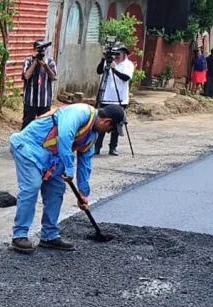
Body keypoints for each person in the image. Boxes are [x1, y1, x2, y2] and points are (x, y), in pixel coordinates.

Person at [10, 103, 126, 254]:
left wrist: (83, 194)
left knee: (56, 190)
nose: (109, 133)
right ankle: (20, 235)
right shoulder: (81, 112)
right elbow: (65, 135)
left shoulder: (91, 137)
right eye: (111, 130)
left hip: (52, 159)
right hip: (29, 147)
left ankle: (49, 236)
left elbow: (85, 165)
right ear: (107, 122)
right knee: (32, 187)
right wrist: (69, 168)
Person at [94, 44, 133, 156]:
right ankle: (97, 147)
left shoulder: (128, 65)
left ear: (124, 53)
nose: (117, 56)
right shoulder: (109, 62)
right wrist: (103, 59)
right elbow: (99, 71)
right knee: (101, 123)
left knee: (117, 125)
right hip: (105, 97)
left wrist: (114, 69)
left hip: (120, 99)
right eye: (115, 53)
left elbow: (126, 78)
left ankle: (113, 147)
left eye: (119, 53)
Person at [21, 40, 58, 130]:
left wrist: (45, 66)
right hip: (30, 101)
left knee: (44, 127)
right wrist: (35, 62)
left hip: (44, 102)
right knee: (27, 126)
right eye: (39, 50)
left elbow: (54, 77)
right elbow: (26, 76)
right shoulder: (28, 61)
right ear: (34, 50)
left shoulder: (50, 62)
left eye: (43, 50)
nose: (41, 52)